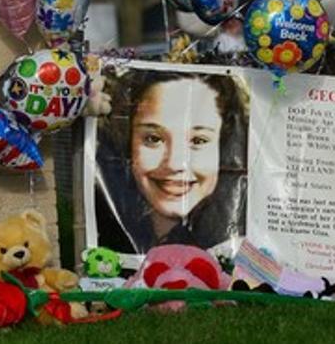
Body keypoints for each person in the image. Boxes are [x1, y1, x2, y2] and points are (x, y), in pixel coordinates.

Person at [94, 68, 248, 255]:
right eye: (153, 139)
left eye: (198, 141)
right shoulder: (96, 238)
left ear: (224, 149)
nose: (175, 164)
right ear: (126, 145)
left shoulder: (250, 243)